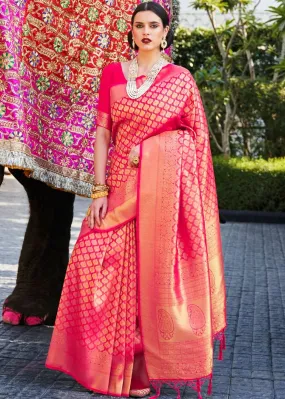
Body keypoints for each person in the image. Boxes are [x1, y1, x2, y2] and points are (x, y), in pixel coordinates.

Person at [46, 2, 227, 398]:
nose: (146, 32)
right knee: (92, 266)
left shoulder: (180, 80)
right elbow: (102, 134)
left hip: (159, 195)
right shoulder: (113, 73)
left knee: (147, 278)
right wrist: (98, 189)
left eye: (153, 26)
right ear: (131, 31)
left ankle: (137, 371)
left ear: (165, 33)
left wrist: (151, 152)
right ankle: (96, 366)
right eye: (139, 26)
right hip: (117, 189)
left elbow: (195, 141)